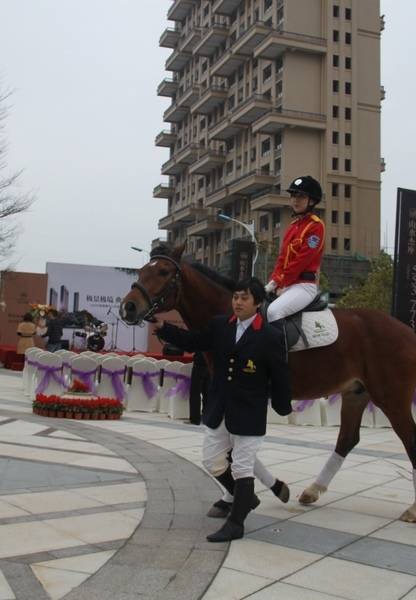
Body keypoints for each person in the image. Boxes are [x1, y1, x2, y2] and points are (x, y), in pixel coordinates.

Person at [155, 278, 293, 542]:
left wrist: (282, 404)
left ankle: (236, 524)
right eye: (235, 298)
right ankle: (246, 498)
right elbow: (194, 341)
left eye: (244, 298)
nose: (238, 302)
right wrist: (165, 329)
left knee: (242, 467)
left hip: (249, 411)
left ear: (258, 303)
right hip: (219, 406)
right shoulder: (220, 326)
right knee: (211, 460)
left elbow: (280, 375)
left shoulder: (270, 336)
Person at [265, 175, 326, 325]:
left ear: (311, 200)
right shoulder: (293, 227)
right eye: (293, 195)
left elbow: (302, 261)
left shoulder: (316, 226)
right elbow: (282, 259)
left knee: (274, 312)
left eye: (301, 196)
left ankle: (279, 349)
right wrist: (272, 282)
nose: (295, 200)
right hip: (287, 284)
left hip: (304, 286)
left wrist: (281, 282)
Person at [189, 351, 209, 425]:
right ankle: (206, 417)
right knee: (207, 392)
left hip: (199, 365)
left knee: (195, 393)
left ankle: (195, 418)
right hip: (209, 365)